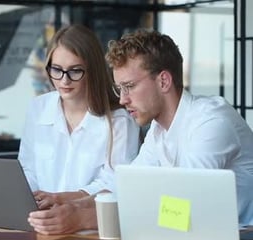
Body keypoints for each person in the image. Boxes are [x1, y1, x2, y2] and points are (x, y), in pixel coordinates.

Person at [105, 29, 253, 226]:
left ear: (163, 81)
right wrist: (73, 204)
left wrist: (90, 216)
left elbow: (183, 207)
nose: (123, 99)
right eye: (119, 89)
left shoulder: (211, 122)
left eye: (129, 86)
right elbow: (126, 188)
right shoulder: (158, 131)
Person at [21, 24, 140, 234]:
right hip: (40, 225)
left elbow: (115, 185)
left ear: (92, 70)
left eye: (75, 71)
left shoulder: (120, 120)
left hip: (91, 232)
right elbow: (27, 170)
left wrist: (64, 200)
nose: (64, 80)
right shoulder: (37, 108)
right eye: (56, 70)